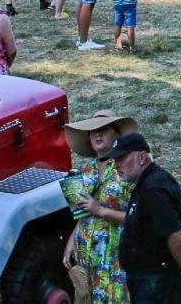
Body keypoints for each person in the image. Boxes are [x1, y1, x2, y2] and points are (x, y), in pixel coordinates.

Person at [106, 132, 181, 302]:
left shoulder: (153, 189)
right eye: (115, 160)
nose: (116, 165)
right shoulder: (146, 183)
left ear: (142, 157)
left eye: (121, 158)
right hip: (150, 279)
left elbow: (178, 237)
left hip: (157, 281)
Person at [61, 109, 139, 304]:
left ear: (116, 134)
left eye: (103, 129)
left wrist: (101, 210)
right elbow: (82, 212)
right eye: (92, 131)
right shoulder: (85, 168)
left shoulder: (128, 167)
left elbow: (141, 216)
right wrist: (72, 240)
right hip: (88, 255)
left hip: (117, 257)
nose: (97, 134)